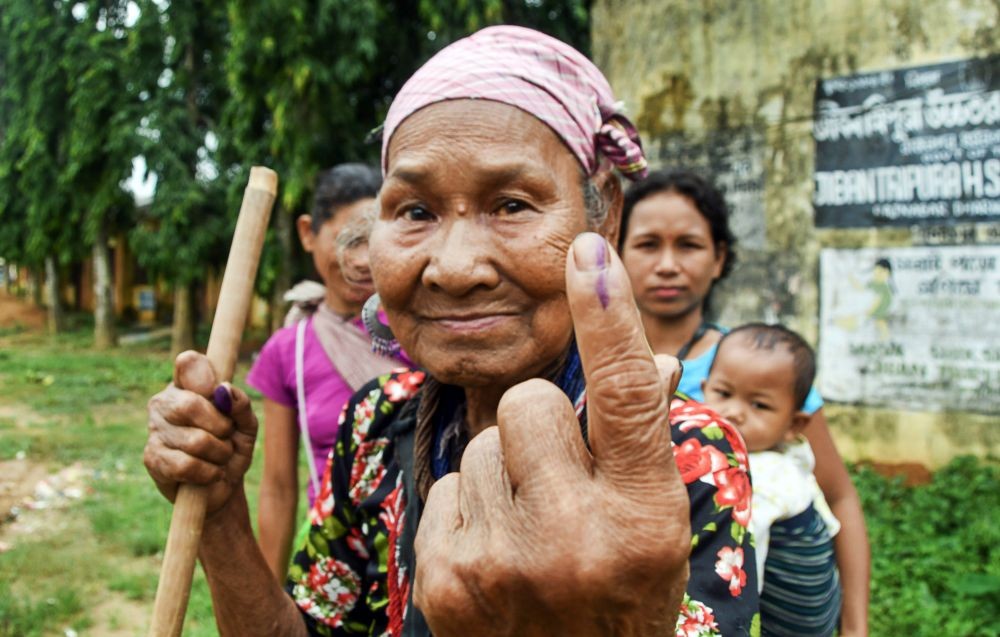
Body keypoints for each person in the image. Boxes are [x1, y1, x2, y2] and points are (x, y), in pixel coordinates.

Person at [143, 26, 758, 636]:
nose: (455, 268)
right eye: (415, 212)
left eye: (512, 204)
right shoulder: (379, 422)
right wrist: (219, 515)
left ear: (606, 212)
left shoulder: (679, 459)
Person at [619, 169, 870, 636]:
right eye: (648, 244)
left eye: (689, 245)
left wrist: (856, 628)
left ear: (719, 259)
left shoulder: (762, 372)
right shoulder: (589, 374)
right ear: (617, 255)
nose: (668, 264)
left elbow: (840, 498)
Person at [247, 164, 407, 581]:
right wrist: (265, 607)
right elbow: (279, 488)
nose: (362, 260)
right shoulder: (290, 351)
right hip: (336, 569)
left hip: (427, 556)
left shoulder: (425, 331)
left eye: (376, 243)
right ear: (307, 233)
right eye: (348, 240)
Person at [703, 324, 842, 636]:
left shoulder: (761, 476)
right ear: (703, 389)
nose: (733, 413)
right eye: (723, 394)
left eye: (759, 405)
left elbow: (746, 568)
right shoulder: (794, 454)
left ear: (795, 423)